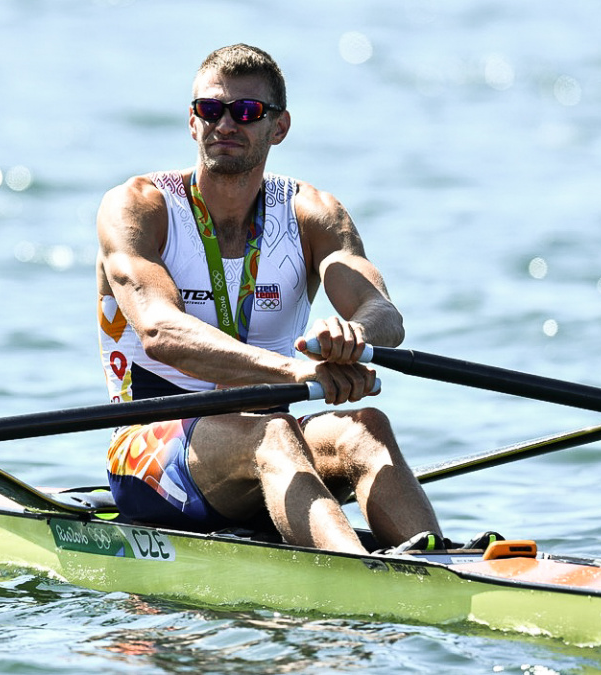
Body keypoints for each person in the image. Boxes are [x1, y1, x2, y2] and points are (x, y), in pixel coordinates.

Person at [95, 44, 441, 555]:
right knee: (272, 433)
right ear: (193, 122)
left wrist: (353, 335)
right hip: (150, 454)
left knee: (366, 427)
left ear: (279, 127)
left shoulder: (310, 213)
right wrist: (296, 372)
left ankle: (441, 563)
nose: (226, 124)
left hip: (277, 448)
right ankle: (356, 581)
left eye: (248, 112)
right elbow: (159, 332)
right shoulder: (140, 208)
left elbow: (384, 313)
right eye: (210, 110)